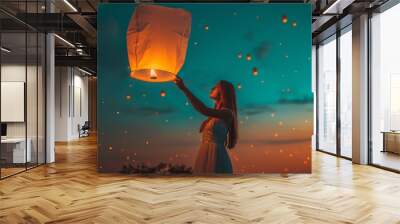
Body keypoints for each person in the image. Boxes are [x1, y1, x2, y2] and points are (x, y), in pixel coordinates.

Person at [174, 76, 238, 174]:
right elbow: (205, 111)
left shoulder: (227, 113)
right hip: (205, 152)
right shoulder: (214, 116)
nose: (212, 88)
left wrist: (184, 89)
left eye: (216, 87)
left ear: (223, 92)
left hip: (216, 155)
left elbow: (203, 109)